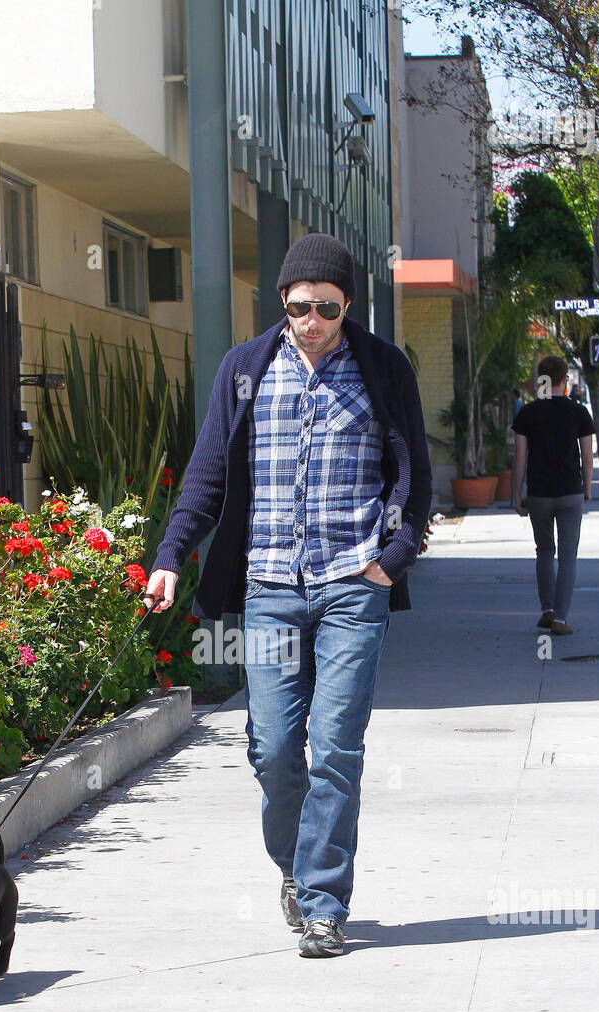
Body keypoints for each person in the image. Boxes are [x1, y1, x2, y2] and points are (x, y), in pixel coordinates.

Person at [144, 232, 432, 958]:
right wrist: (172, 557)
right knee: (273, 748)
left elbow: (414, 479)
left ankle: (324, 902)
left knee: (335, 745)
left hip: (350, 586)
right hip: (268, 588)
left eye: (326, 308)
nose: (310, 320)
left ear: (346, 306)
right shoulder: (245, 368)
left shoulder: (382, 368)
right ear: (282, 300)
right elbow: (206, 475)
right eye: (299, 305)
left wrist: (390, 560)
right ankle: (296, 873)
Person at [512, 355, 595, 635]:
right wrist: (587, 487)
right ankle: (560, 618)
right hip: (570, 491)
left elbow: (520, 458)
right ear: (564, 381)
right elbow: (586, 454)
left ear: (540, 381)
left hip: (539, 494)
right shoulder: (579, 412)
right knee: (568, 556)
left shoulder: (527, 413)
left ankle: (547, 610)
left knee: (544, 551)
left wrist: (517, 494)